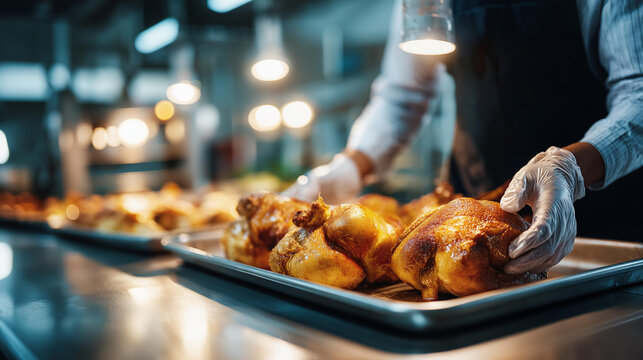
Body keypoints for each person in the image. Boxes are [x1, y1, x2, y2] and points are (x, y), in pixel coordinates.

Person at [284, 0, 643, 274]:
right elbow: (402, 95)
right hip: (472, 209)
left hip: (599, 217)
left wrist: (569, 168)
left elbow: (638, 92)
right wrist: (346, 169)